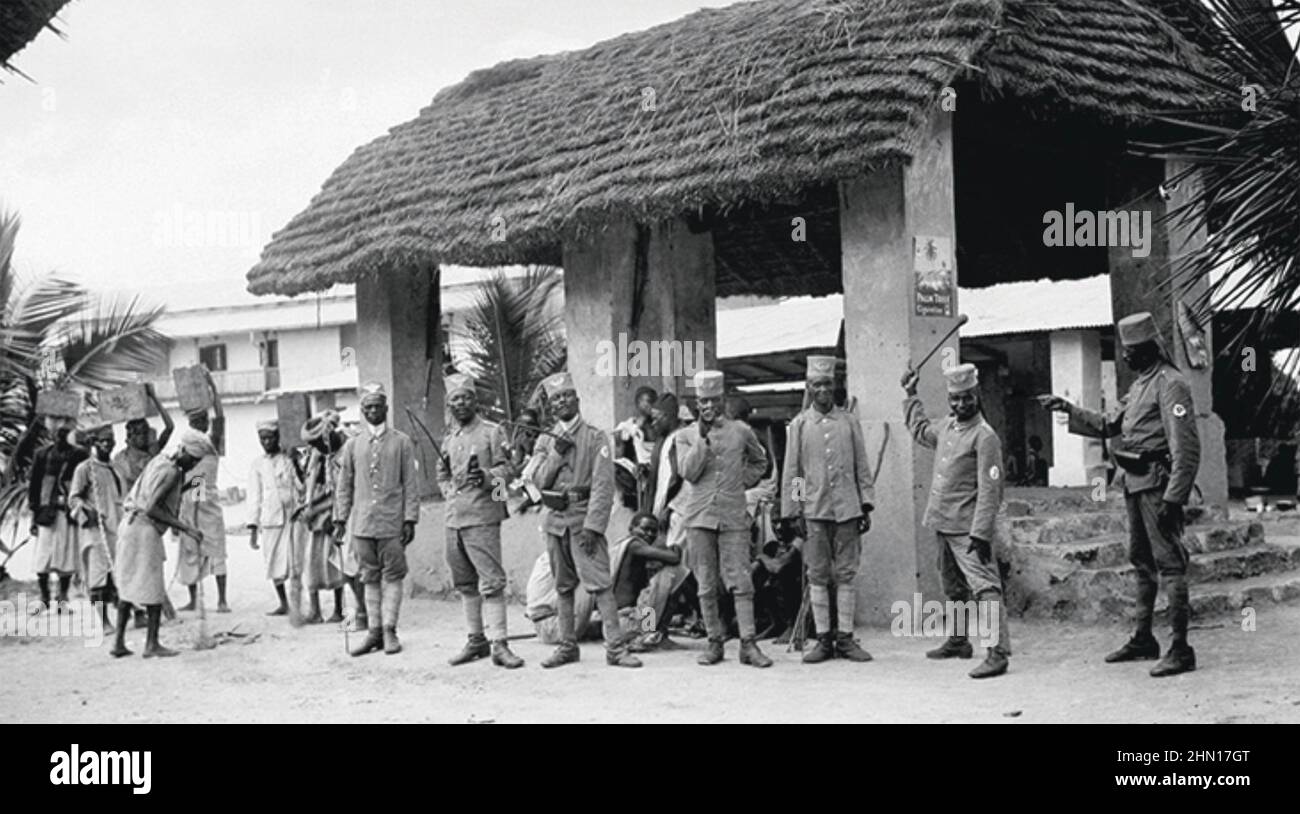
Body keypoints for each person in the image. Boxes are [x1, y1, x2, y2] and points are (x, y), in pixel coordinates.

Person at [1040, 311, 1201, 677]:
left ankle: (1181, 648)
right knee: (1141, 561)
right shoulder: (1142, 383)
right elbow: (1109, 424)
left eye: (1131, 352)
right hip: (1134, 483)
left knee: (1171, 564)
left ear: (1149, 350)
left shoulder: (1170, 384)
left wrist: (1174, 498)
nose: (1125, 358)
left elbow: (1186, 449)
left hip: (1159, 488)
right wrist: (1067, 408)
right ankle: (1144, 638)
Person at [902, 362, 1010, 679]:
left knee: (986, 589)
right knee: (954, 588)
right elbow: (921, 430)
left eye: (967, 398)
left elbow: (991, 490)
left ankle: (998, 652)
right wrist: (911, 395)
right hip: (943, 523)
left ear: (977, 395)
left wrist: (981, 533)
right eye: (955, 399)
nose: (961, 405)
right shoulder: (948, 427)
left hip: (968, 529)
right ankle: (959, 641)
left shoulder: (985, 437)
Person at [529, 371, 641, 668]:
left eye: (566, 396)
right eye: (555, 399)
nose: (561, 402)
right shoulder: (545, 440)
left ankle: (615, 648)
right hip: (555, 522)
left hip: (582, 522)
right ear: (551, 407)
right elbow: (538, 481)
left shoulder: (595, 437)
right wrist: (556, 453)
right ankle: (567, 646)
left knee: (600, 585)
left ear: (577, 400)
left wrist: (593, 527)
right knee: (564, 587)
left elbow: (603, 487)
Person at [780, 355, 875, 663]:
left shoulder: (849, 421)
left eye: (828, 384)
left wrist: (866, 504)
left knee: (847, 573)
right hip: (815, 511)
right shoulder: (799, 425)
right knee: (818, 575)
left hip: (848, 509)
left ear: (835, 386)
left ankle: (845, 639)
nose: (823, 389)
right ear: (809, 387)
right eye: (817, 384)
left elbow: (862, 465)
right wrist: (794, 511)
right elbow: (793, 472)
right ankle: (823, 640)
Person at [677, 369, 772, 668]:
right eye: (703, 401)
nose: (709, 407)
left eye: (714, 400)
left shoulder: (741, 431)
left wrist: (739, 482)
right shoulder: (685, 436)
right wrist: (702, 441)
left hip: (732, 514)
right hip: (699, 516)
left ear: (723, 399)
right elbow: (688, 472)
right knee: (706, 583)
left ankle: (748, 644)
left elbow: (761, 462)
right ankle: (714, 642)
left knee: (741, 580)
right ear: (697, 403)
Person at [438, 373, 524, 669]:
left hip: (483, 518)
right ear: (449, 405)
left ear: (475, 401)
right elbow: (442, 473)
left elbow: (510, 471)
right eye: (454, 400)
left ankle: (500, 643)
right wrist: (449, 491)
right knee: (465, 583)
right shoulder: (450, 437)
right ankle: (476, 640)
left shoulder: (492, 432)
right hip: (454, 520)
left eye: (465, 398)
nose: (460, 404)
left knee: (492, 583)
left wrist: (487, 479)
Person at [334, 382, 420, 656]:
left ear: (386, 408)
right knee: (368, 577)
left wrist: (410, 519)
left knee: (393, 576)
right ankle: (373, 632)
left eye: (377, 406)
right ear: (362, 410)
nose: (373, 411)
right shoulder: (352, 445)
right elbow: (344, 485)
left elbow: (411, 484)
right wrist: (340, 519)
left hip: (392, 523)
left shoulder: (402, 442)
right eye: (367, 407)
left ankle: (390, 630)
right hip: (362, 524)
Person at [110, 430, 212, 658]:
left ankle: (118, 643)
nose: (194, 465)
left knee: (127, 585)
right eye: (193, 460)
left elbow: (159, 494)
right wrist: (187, 528)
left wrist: (189, 486)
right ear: (184, 451)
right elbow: (152, 508)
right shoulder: (173, 471)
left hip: (128, 526)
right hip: (144, 531)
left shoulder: (160, 461)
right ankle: (152, 644)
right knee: (153, 586)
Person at [174, 372, 229, 614]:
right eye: (197, 421)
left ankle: (222, 600)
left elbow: (221, 417)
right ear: (191, 424)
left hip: (209, 499)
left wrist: (212, 388)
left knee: (216, 550)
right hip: (191, 498)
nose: (202, 424)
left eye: (204, 420)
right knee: (190, 550)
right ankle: (194, 599)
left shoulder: (211, 443)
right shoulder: (186, 445)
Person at [299, 411, 358, 625]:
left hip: (339, 513)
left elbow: (339, 491)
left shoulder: (346, 449)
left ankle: (347, 610)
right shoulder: (196, 462)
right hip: (196, 522)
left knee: (342, 562)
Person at [28, 415, 88, 611]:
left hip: (66, 511)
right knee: (42, 557)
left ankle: (63, 599)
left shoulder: (79, 454)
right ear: (52, 433)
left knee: (66, 557)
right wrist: (33, 517)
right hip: (46, 512)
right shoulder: (42, 454)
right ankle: (45, 597)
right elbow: (34, 486)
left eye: (65, 432)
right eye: (57, 432)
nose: (60, 437)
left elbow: (85, 482)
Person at [69, 423, 125, 631]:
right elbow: (73, 499)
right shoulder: (84, 469)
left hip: (116, 528)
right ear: (94, 443)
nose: (107, 444)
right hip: (95, 530)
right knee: (97, 576)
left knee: (118, 573)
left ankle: (129, 615)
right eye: (103, 440)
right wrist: (87, 510)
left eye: (110, 440)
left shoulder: (116, 468)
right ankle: (103, 622)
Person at [247, 419, 302, 617]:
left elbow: (301, 485)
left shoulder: (288, 459)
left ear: (277, 438)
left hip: (293, 517)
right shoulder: (258, 465)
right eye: (262, 439)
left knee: (295, 562)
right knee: (273, 563)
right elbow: (255, 496)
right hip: (271, 519)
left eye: (270, 438)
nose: (266, 442)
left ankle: (297, 603)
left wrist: (295, 461)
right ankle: (283, 603)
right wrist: (253, 528)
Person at [112, 383, 174, 492]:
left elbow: (170, 427)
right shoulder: (120, 459)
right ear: (131, 437)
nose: (146, 436)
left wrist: (154, 397)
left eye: (146, 432)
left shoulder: (151, 453)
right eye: (141, 433)